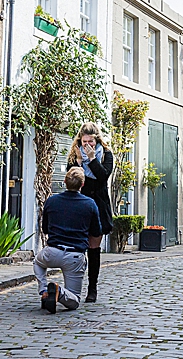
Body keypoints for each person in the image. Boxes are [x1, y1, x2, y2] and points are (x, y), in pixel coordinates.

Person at [35, 166, 101, 313]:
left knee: (38, 263)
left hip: (52, 252)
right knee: (74, 300)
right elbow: (96, 232)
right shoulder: (90, 204)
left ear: (64, 181)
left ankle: (44, 290)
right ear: (82, 185)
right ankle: (59, 291)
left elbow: (45, 229)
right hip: (74, 256)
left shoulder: (52, 201)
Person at [66, 122, 113, 303]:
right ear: (80, 140)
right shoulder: (75, 154)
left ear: (97, 140)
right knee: (77, 247)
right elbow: (72, 179)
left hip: (99, 205)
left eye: (91, 142)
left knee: (93, 248)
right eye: (84, 141)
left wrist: (92, 159)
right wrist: (79, 162)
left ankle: (92, 288)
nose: (87, 146)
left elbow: (103, 176)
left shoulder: (106, 155)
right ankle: (72, 287)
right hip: (79, 204)